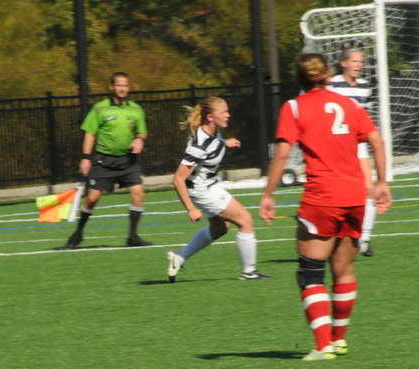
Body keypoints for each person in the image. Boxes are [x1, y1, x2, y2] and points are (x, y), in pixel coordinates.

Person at [259, 53, 392, 361]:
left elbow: (282, 155)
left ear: (298, 79)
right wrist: (382, 182)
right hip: (355, 198)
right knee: (343, 270)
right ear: (328, 76)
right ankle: (339, 339)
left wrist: (268, 193)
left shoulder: (294, 107)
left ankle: (322, 346)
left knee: (310, 274)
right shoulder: (349, 105)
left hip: (322, 199)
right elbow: (377, 142)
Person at [167, 96, 269, 282]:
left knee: (221, 228)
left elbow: (213, 144)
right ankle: (249, 272)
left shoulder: (214, 132)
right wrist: (190, 209)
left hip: (209, 185)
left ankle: (179, 258)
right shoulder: (199, 144)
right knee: (245, 219)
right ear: (210, 117)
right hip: (203, 190)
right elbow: (178, 179)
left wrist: (224, 142)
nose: (228, 115)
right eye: (224, 112)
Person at [65, 72, 153, 249]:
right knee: (92, 199)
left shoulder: (136, 109)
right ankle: (77, 234)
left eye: (125, 85)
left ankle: (133, 237)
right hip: (104, 161)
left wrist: (139, 140)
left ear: (129, 88)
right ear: (111, 87)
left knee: (138, 193)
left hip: (128, 161)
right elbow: (90, 133)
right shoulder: (100, 108)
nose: (122, 88)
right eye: (119, 85)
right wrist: (86, 158)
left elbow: (142, 132)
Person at [328, 47, 378, 257]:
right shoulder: (332, 84)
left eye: (361, 62)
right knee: (335, 190)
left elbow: (365, 118)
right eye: (355, 61)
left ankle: (363, 239)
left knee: (369, 189)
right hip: (336, 146)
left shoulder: (365, 87)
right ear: (344, 63)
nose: (359, 65)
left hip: (357, 145)